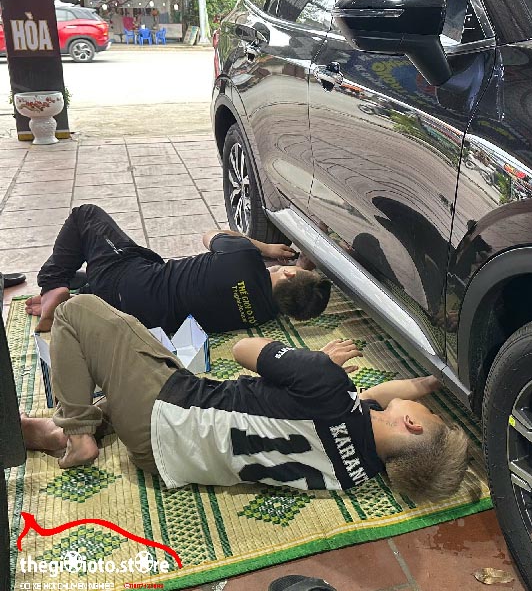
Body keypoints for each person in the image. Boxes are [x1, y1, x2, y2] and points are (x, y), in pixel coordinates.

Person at [20, 296, 469, 502]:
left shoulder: (325, 384)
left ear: (413, 424)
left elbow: (242, 350)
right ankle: (60, 430)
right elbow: (369, 399)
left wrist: (317, 361)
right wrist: (425, 384)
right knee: (136, 368)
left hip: (168, 412)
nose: (425, 407)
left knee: (80, 313)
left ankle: (76, 436)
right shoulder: (359, 471)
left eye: (429, 414)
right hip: (171, 459)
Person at [25, 204, 331, 334]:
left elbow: (210, 235)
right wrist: (308, 261)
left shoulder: (245, 258)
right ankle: (72, 299)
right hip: (134, 316)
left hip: (131, 281)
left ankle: (52, 286)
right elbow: (300, 289)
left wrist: (264, 248)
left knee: (85, 216)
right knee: (89, 273)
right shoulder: (268, 313)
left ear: (288, 272)